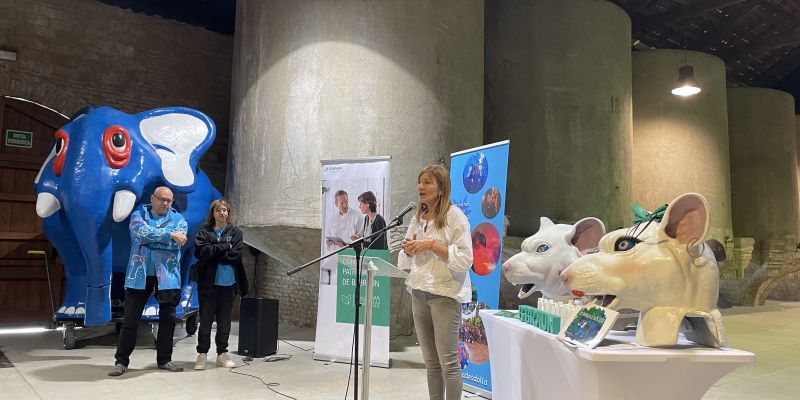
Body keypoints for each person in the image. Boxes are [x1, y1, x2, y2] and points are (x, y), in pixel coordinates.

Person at [398, 165, 473, 400]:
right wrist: (409, 249)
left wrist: (430, 244)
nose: (421, 187)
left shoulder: (454, 217)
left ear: (441, 189)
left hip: (444, 294)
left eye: (428, 182)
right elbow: (406, 256)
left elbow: (465, 258)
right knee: (431, 363)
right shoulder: (418, 217)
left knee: (448, 363)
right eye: (420, 182)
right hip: (419, 292)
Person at [109, 186, 188, 376]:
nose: (166, 204)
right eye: (162, 199)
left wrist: (154, 238)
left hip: (167, 277)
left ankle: (165, 360)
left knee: (168, 320)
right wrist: (169, 234)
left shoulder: (179, 219)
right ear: (152, 198)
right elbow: (140, 234)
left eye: (169, 201)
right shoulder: (138, 215)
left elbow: (178, 241)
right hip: (139, 274)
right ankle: (121, 362)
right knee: (130, 320)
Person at [193, 199, 249, 370]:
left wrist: (215, 251)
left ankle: (222, 354)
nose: (222, 213)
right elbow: (202, 253)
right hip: (208, 284)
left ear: (228, 213)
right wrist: (225, 246)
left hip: (228, 284)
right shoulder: (204, 231)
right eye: (219, 210)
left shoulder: (236, 232)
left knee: (224, 321)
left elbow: (235, 255)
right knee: (206, 320)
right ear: (213, 213)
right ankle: (202, 354)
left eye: (225, 210)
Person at [320, 190, 362, 284]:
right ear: (336, 204)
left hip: (350, 257)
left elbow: (361, 238)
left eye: (346, 202)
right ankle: (328, 294)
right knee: (324, 270)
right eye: (342, 203)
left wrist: (347, 246)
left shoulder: (357, 216)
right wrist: (329, 243)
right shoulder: (332, 218)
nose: (345, 205)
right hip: (335, 256)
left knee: (342, 280)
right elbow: (329, 235)